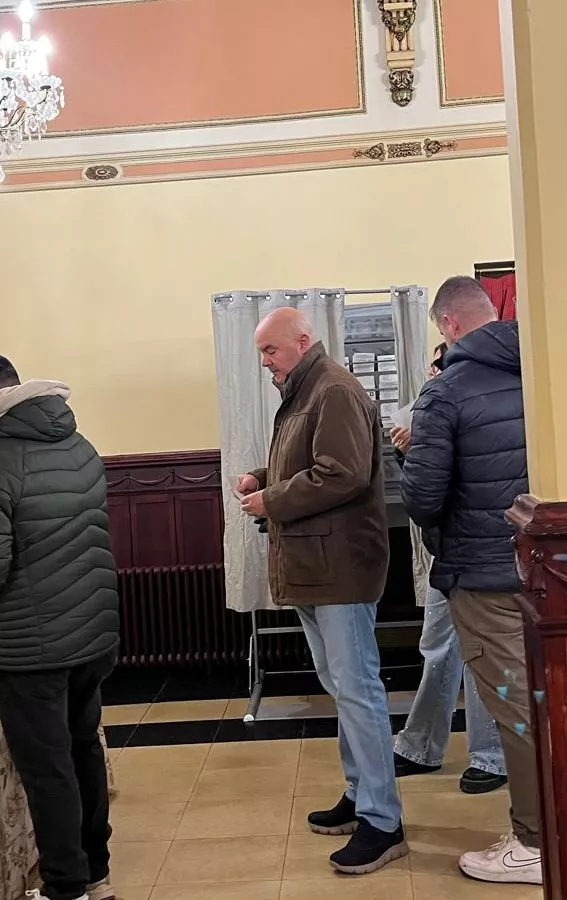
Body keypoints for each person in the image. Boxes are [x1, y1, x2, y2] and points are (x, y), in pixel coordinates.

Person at [0, 353, 120, 900]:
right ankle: (96, 871)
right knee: (82, 747)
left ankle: (66, 887)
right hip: (91, 630)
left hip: (30, 645)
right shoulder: (78, 446)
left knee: (47, 769)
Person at [234, 307, 405, 875]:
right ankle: (360, 795)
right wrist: (264, 476)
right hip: (315, 565)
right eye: (261, 353)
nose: (264, 362)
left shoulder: (332, 389)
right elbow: (310, 460)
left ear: (302, 341)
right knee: (341, 686)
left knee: (357, 690)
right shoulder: (308, 389)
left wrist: (272, 501)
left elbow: (343, 473)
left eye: (271, 351)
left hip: (339, 569)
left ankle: (383, 821)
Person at [400, 276, 541, 884]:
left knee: (512, 706)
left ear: (449, 325)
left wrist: (413, 455)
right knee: (545, 697)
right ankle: (564, 822)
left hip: (483, 569)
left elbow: (425, 500)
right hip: (550, 566)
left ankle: (535, 841)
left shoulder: (446, 391)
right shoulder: (539, 369)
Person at [389, 342, 507, 794]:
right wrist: (410, 453)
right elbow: (426, 493)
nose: (434, 374)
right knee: (437, 644)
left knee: (482, 654)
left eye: (440, 365)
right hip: (450, 548)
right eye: (432, 367)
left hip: (488, 548)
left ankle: (492, 755)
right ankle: (420, 746)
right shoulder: (437, 409)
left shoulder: (483, 405)